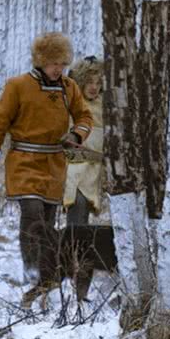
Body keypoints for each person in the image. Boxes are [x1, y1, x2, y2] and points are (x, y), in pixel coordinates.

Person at [0, 32, 93, 282]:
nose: (59, 69)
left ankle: (46, 272)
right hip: (24, 160)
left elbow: (85, 117)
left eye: (63, 64)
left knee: (48, 222)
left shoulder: (69, 88)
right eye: (55, 64)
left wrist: (76, 135)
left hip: (54, 164)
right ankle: (30, 269)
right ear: (41, 61)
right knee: (32, 213)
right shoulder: (17, 86)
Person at [63, 56, 105, 225]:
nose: (94, 87)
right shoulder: (72, 102)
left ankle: (76, 249)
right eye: (89, 82)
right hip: (71, 168)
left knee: (84, 207)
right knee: (77, 204)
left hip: (94, 170)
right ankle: (71, 249)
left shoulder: (106, 106)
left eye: (98, 82)